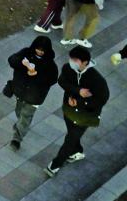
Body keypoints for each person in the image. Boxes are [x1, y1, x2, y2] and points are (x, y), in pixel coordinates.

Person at [46, 45, 109, 177]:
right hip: (69, 109)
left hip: (85, 116)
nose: (72, 62)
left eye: (75, 60)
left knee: (70, 139)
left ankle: (55, 165)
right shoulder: (68, 68)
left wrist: (80, 102)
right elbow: (62, 81)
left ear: (85, 62)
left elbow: (102, 99)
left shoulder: (97, 80)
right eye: (71, 59)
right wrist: (78, 91)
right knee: (72, 134)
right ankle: (77, 152)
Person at [5, 35, 58, 149]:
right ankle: (20, 125)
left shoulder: (50, 64)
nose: (40, 52)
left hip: (35, 97)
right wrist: (23, 64)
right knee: (19, 112)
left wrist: (36, 75)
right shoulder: (26, 53)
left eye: (42, 50)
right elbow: (11, 60)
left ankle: (17, 139)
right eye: (38, 49)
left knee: (25, 116)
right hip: (20, 91)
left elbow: (52, 79)